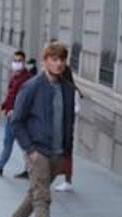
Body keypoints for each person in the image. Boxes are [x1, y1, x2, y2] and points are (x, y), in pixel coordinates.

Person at [1, 41, 75, 217]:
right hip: (38, 151)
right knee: (42, 197)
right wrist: (30, 150)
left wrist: (67, 154)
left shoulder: (67, 88)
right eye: (54, 59)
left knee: (35, 192)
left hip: (57, 153)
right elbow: (16, 121)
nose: (59, 63)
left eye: (62, 59)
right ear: (45, 61)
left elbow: (68, 122)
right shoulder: (32, 86)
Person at [0, 50, 30, 175]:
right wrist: (3, 106)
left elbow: (24, 99)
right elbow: (11, 96)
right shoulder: (15, 77)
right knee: (8, 141)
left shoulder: (26, 79)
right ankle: (0, 166)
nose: (16, 63)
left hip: (18, 116)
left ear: (24, 62)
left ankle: (29, 168)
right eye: (15, 60)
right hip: (11, 115)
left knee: (23, 143)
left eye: (19, 61)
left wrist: (15, 110)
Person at [52, 63, 81, 192]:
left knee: (67, 153)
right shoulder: (56, 88)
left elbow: (77, 108)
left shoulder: (72, 90)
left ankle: (68, 180)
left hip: (66, 127)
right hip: (56, 125)